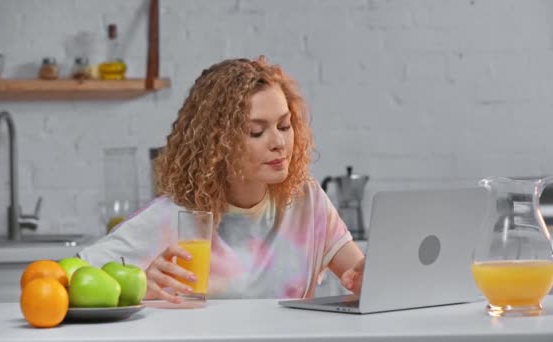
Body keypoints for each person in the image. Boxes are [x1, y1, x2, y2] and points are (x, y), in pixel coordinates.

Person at [79, 56, 365, 303]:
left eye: (284, 125)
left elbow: (362, 277)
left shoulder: (307, 201)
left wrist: (368, 280)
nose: (279, 142)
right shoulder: (173, 217)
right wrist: (137, 285)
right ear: (217, 144)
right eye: (256, 131)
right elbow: (70, 278)